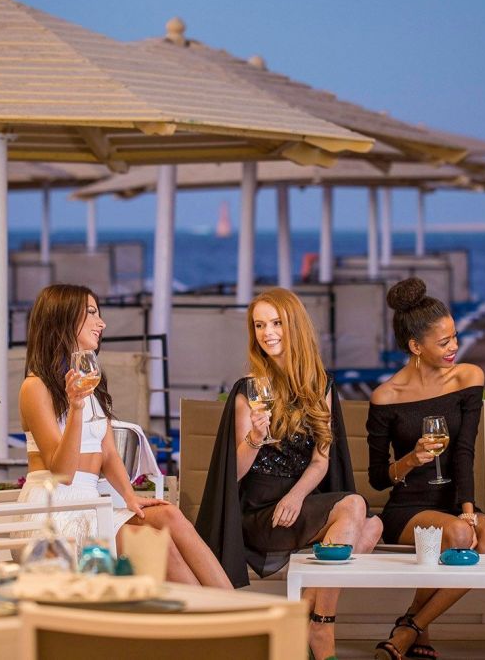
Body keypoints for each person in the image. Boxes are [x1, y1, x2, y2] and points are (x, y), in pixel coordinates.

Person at [197, 287, 382, 660]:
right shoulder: (249, 389)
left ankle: (305, 615)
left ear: (294, 325)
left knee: (373, 526)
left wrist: (296, 496)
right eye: (259, 325)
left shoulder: (320, 385)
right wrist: (254, 438)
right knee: (355, 507)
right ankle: (321, 629)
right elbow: (234, 474)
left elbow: (321, 461)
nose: (267, 333)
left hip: (295, 504)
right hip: (259, 513)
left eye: (276, 323)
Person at [19, 283, 231, 588]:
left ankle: (238, 607)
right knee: (156, 544)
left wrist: (130, 497)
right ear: (62, 318)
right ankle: (210, 615)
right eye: (92, 313)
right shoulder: (35, 387)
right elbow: (62, 473)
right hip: (55, 511)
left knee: (170, 516)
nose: (102, 323)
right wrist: (76, 409)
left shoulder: (90, 383)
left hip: (92, 503)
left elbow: (107, 452)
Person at [367, 278, 485, 660]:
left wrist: (468, 510)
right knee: (459, 535)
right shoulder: (386, 396)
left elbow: (464, 451)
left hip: (454, 502)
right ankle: (415, 632)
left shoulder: (468, 377)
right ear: (416, 346)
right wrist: (411, 459)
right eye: (444, 342)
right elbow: (377, 478)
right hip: (408, 508)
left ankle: (410, 626)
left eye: (455, 336)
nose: (454, 347)